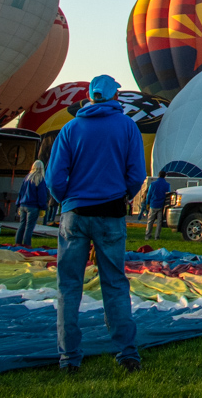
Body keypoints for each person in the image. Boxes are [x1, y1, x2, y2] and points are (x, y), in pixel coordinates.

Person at [47, 73, 146, 374]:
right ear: (115, 97)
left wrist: (68, 201)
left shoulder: (70, 128)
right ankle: (127, 354)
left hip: (75, 215)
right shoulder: (128, 127)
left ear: (91, 96)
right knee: (115, 284)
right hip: (111, 214)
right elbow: (136, 173)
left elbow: (54, 178)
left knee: (69, 287)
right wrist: (124, 196)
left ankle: (69, 358)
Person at [15, 161, 51, 248]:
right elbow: (42, 195)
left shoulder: (27, 178)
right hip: (33, 207)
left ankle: (17, 243)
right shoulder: (40, 180)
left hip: (23, 205)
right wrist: (43, 207)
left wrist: (18, 204)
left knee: (22, 225)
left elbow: (21, 192)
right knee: (29, 227)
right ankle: (27, 244)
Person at [143, 172, 172, 241]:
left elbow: (149, 194)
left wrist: (147, 203)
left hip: (153, 204)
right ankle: (157, 236)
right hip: (162, 205)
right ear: (165, 176)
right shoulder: (167, 185)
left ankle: (147, 235)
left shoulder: (153, 184)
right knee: (159, 222)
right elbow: (168, 195)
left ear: (158, 175)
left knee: (150, 221)